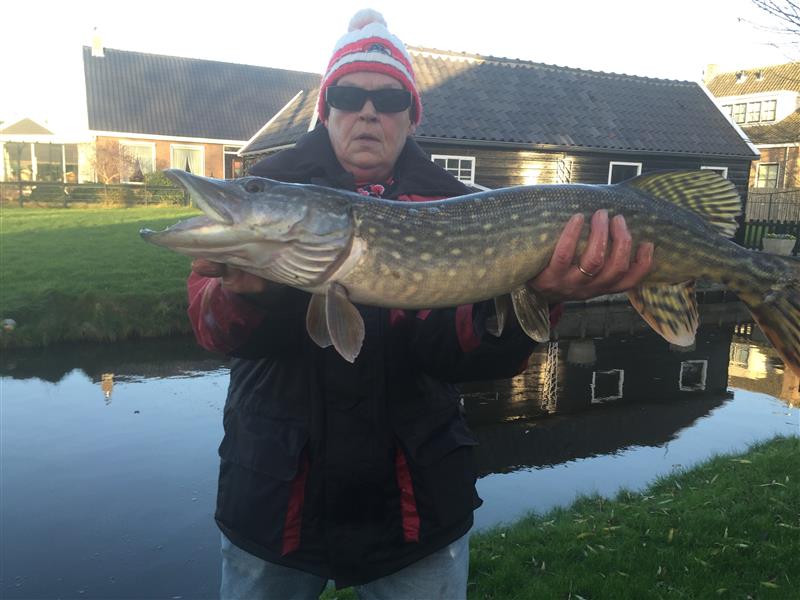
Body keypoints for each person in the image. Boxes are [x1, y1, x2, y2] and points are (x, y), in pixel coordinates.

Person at [188, 9, 654, 599]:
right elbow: (211, 328)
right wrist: (247, 295)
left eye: (389, 100)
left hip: (415, 504)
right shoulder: (269, 191)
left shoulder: (452, 204)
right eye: (348, 95)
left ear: (411, 117)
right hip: (276, 498)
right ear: (325, 109)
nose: (367, 111)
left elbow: (466, 354)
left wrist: (542, 294)